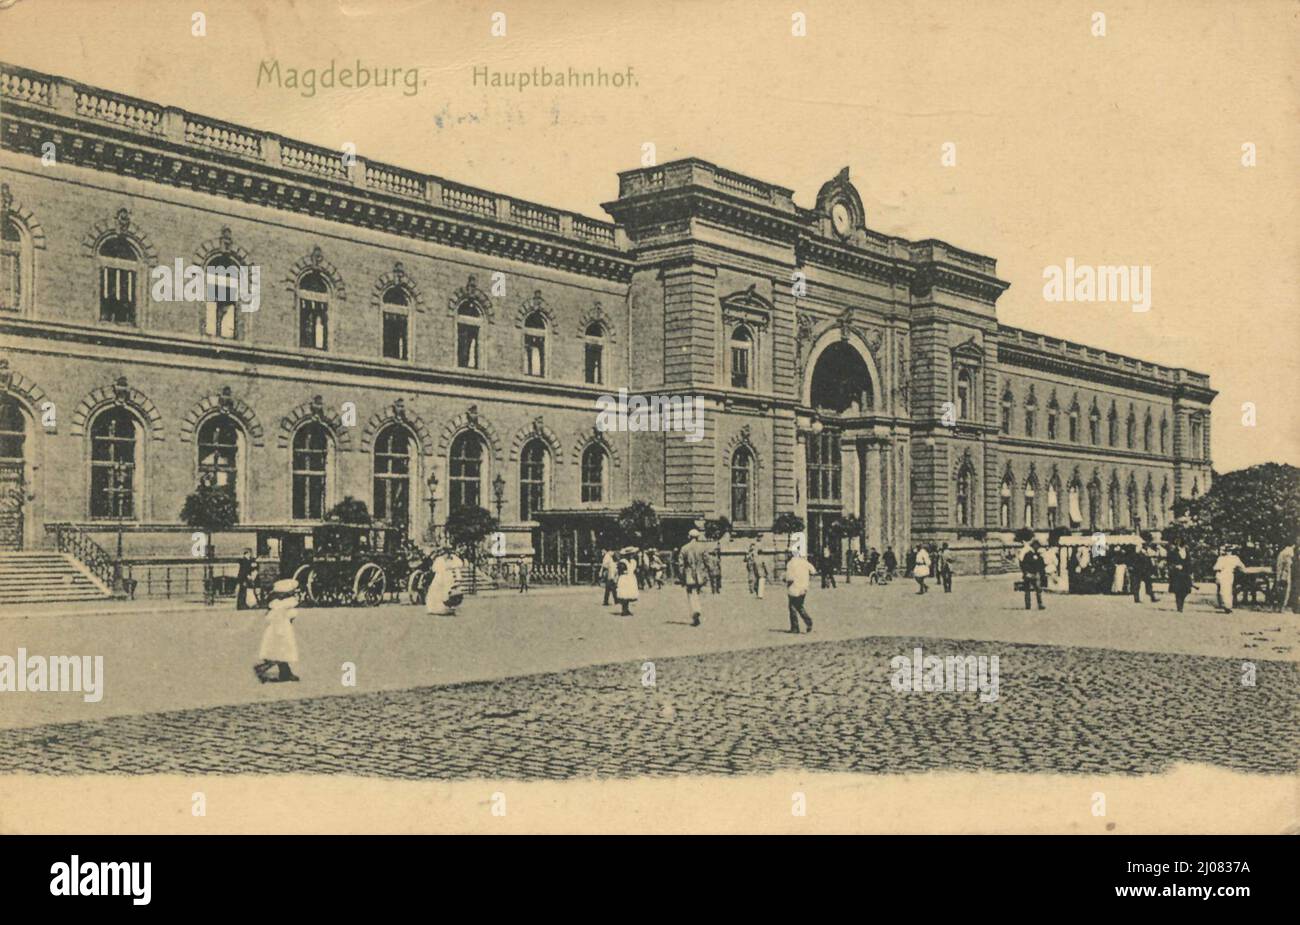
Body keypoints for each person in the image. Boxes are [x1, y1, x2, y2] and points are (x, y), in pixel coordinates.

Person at [254, 578, 301, 683]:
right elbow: (290, 616)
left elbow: (269, 618)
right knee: (279, 654)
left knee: (280, 654)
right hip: (281, 632)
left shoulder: (276, 606)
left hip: (275, 631)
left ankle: (286, 673)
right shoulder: (286, 606)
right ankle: (260, 669)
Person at [678, 529, 710, 627]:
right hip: (700, 574)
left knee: (691, 594)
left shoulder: (684, 548)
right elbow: (707, 561)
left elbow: (681, 564)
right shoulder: (702, 547)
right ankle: (698, 610)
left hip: (689, 575)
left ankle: (695, 611)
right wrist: (708, 572)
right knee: (699, 593)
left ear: (689, 536)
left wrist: (681, 577)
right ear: (698, 537)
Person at [425, 546, 464, 616]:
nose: (446, 555)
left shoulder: (453, 558)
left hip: (449, 577)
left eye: (448, 553)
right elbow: (435, 569)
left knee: (448, 591)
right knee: (436, 592)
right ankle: (435, 608)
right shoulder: (439, 559)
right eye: (445, 553)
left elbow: (459, 564)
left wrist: (451, 567)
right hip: (440, 577)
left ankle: (448, 607)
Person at [784, 549, 815, 634]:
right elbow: (813, 570)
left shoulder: (791, 563)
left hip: (794, 588)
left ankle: (795, 628)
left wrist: (785, 580)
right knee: (799, 606)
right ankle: (808, 621)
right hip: (804, 588)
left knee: (792, 607)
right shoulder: (804, 562)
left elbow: (789, 578)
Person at [1212, 546, 1245, 613]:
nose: (1228, 552)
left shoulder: (1233, 558)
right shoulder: (1226, 558)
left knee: (1225, 591)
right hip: (1223, 574)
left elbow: (1242, 566)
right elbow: (1215, 568)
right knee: (1224, 591)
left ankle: (1226, 606)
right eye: (1227, 551)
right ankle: (1225, 606)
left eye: (1229, 551)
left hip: (1226, 574)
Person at [1167, 540, 1194, 612]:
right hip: (1177, 574)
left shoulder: (1187, 553)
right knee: (1178, 590)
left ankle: (1181, 602)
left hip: (1186, 573)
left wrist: (1190, 572)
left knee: (1186, 590)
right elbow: (1169, 562)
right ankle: (1179, 606)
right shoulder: (1173, 553)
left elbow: (1189, 563)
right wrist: (1175, 566)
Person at [1021, 540, 1047, 610]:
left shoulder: (1038, 555)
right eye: (1037, 546)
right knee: (1027, 590)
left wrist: (1041, 574)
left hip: (1035, 575)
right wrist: (1026, 572)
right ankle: (1028, 604)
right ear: (1033, 546)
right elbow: (1023, 564)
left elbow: (1041, 566)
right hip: (1028, 574)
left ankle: (1040, 604)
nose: (1038, 547)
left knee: (1038, 589)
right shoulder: (1028, 554)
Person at [615, 550, 640, 616]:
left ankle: (627, 609)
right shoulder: (623, 562)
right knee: (624, 594)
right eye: (629, 554)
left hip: (631, 578)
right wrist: (623, 571)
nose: (631, 556)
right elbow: (619, 570)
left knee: (629, 594)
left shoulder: (633, 561)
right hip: (624, 579)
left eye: (632, 554)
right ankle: (624, 610)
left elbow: (634, 569)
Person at [1273, 541, 1294, 613]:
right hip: (1284, 575)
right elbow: (1284, 567)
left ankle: (1280, 607)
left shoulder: (1282, 553)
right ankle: (1281, 607)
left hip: (1284, 574)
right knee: (1284, 591)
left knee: (1283, 591)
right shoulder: (1286, 554)